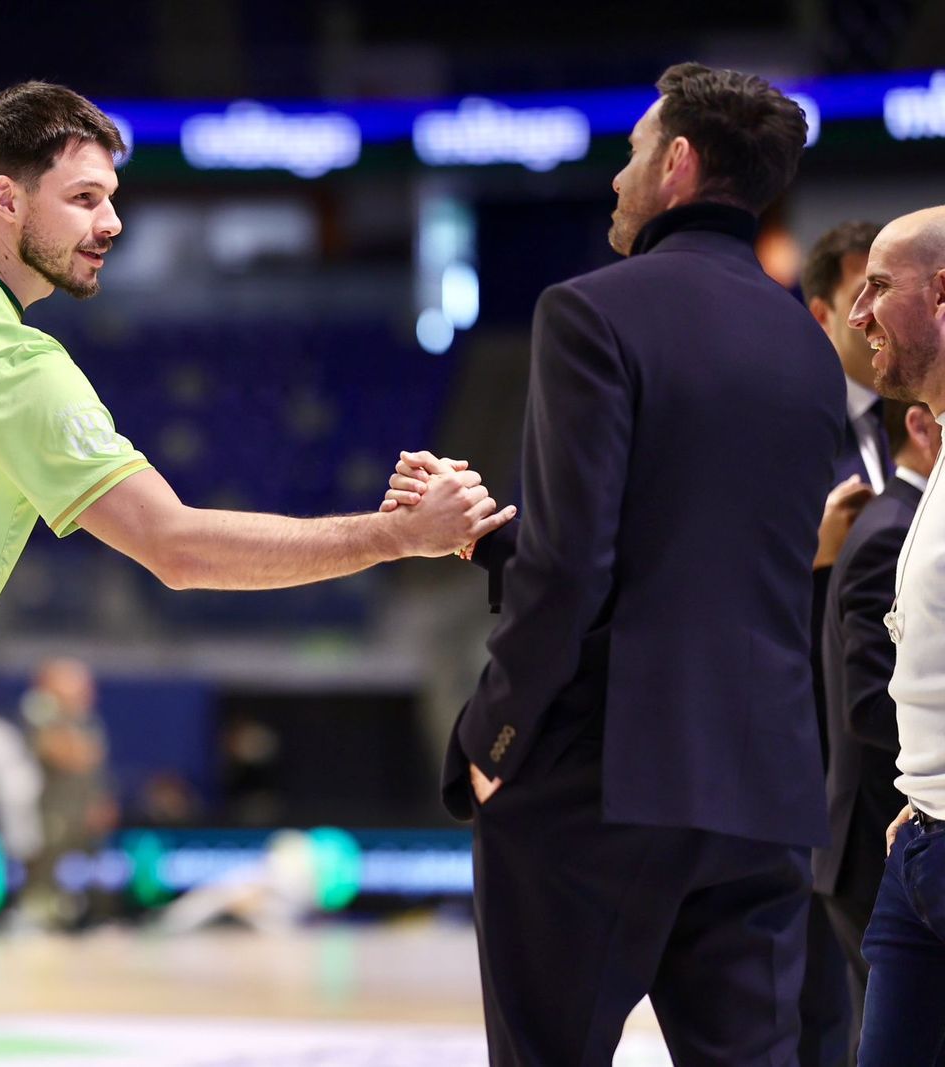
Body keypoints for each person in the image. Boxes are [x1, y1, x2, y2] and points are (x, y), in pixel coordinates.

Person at [0, 81, 514, 1067]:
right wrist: (388, 537)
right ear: (3, 199)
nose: (110, 222)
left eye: (112, 198)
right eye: (82, 199)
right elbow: (176, 546)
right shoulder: (12, 369)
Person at [388, 63, 842, 1064]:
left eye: (634, 151)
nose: (615, 177)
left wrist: (491, 735)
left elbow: (570, 570)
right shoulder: (807, 346)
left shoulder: (591, 311)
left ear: (677, 163)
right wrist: (494, 538)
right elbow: (724, 553)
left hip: (604, 768)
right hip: (762, 778)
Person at [844, 205, 945, 1067]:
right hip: (918, 843)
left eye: (878, 286)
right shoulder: (939, 451)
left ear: (943, 294)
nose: (856, 314)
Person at [819, 398, 939, 1053]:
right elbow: (867, 698)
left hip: (898, 829)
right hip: (882, 834)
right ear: (921, 426)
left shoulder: (898, 519)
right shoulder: (895, 525)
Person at [801, 219, 890, 1067]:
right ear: (820, 311)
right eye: (861, 295)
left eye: (887, 294)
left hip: (900, 747)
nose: (875, 315)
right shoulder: (787, 423)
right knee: (814, 999)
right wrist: (812, 553)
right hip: (806, 744)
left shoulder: (925, 414)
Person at [19, 658, 115, 929]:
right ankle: (34, 913)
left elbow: (94, 766)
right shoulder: (38, 712)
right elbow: (63, 754)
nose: (83, 693)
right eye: (74, 686)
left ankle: (92, 915)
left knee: (93, 868)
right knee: (44, 867)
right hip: (48, 810)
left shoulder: (87, 722)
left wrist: (99, 801)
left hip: (80, 810)